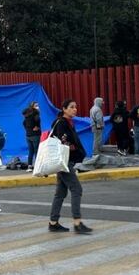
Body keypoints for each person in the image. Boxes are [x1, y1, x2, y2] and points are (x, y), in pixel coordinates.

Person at [49, 100, 93, 234]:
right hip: (64, 161)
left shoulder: (68, 122)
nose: (75, 109)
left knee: (60, 192)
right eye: (71, 107)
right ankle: (77, 223)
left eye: (75, 107)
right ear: (64, 109)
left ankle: (53, 222)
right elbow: (63, 141)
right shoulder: (62, 123)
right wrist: (73, 148)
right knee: (76, 189)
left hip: (65, 161)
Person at [22, 102, 42, 169]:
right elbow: (37, 120)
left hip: (28, 136)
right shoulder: (35, 114)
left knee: (31, 151)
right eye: (36, 105)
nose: (38, 107)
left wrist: (28, 130)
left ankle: (29, 165)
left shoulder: (27, 115)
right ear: (32, 107)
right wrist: (37, 126)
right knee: (37, 151)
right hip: (35, 135)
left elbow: (24, 123)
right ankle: (37, 166)